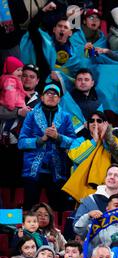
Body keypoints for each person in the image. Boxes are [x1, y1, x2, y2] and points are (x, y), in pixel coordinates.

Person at [18, 83, 76, 212]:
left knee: (58, 208)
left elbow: (73, 143)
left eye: (55, 94)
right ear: (42, 97)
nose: (51, 96)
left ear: (59, 99)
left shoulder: (66, 117)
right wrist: (41, 139)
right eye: (48, 93)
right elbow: (21, 142)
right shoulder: (31, 115)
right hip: (33, 168)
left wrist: (58, 137)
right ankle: (28, 231)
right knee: (30, 208)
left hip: (58, 169)